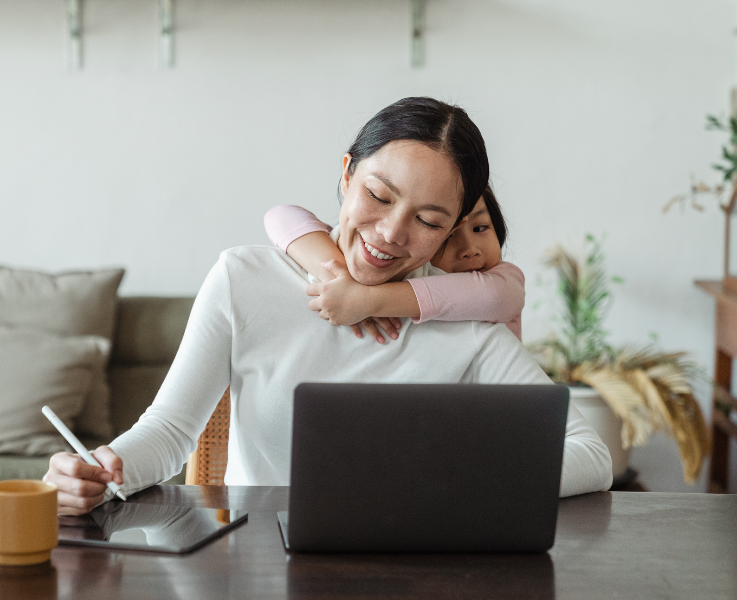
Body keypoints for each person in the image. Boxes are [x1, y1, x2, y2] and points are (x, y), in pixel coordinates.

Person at [44, 97, 613, 515]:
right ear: (346, 175)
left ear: (452, 231)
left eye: (429, 220)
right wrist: (99, 469)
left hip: (413, 572)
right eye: (379, 196)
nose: (390, 233)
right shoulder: (244, 279)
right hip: (258, 568)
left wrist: (464, 479)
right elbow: (169, 432)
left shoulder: (465, 322)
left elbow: (591, 454)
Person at [263, 184, 524, 343]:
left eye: (481, 228)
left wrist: (367, 299)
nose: (470, 250)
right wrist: (339, 279)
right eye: (448, 237)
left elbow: (494, 297)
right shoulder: (405, 271)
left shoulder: (504, 280)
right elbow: (281, 216)